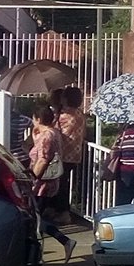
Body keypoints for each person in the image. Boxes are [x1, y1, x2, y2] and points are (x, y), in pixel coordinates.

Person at [29, 105, 76, 263]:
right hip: (50, 182)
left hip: (42, 184)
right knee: (37, 218)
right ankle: (42, 251)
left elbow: (43, 159)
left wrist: (33, 178)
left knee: (35, 218)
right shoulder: (53, 132)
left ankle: (62, 242)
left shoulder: (47, 136)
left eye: (34, 119)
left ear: (38, 119)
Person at [51, 86, 86, 222]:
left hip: (62, 154)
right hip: (75, 154)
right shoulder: (80, 114)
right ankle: (60, 211)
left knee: (60, 184)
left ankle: (63, 212)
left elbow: (53, 131)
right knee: (63, 182)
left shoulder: (64, 116)